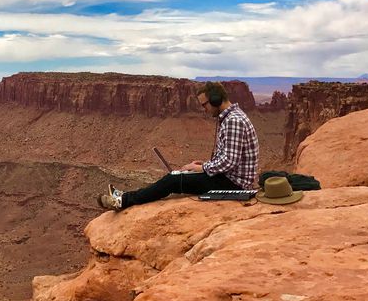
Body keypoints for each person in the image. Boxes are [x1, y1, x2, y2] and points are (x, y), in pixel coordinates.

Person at [98, 81, 259, 211]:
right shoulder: (232, 117)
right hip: (228, 178)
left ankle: (122, 200)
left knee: (174, 180)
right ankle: (124, 197)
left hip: (233, 185)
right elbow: (229, 158)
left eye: (205, 105)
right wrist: (204, 165)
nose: (204, 110)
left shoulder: (233, 121)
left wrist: (201, 169)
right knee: (180, 174)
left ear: (216, 100)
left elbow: (229, 161)